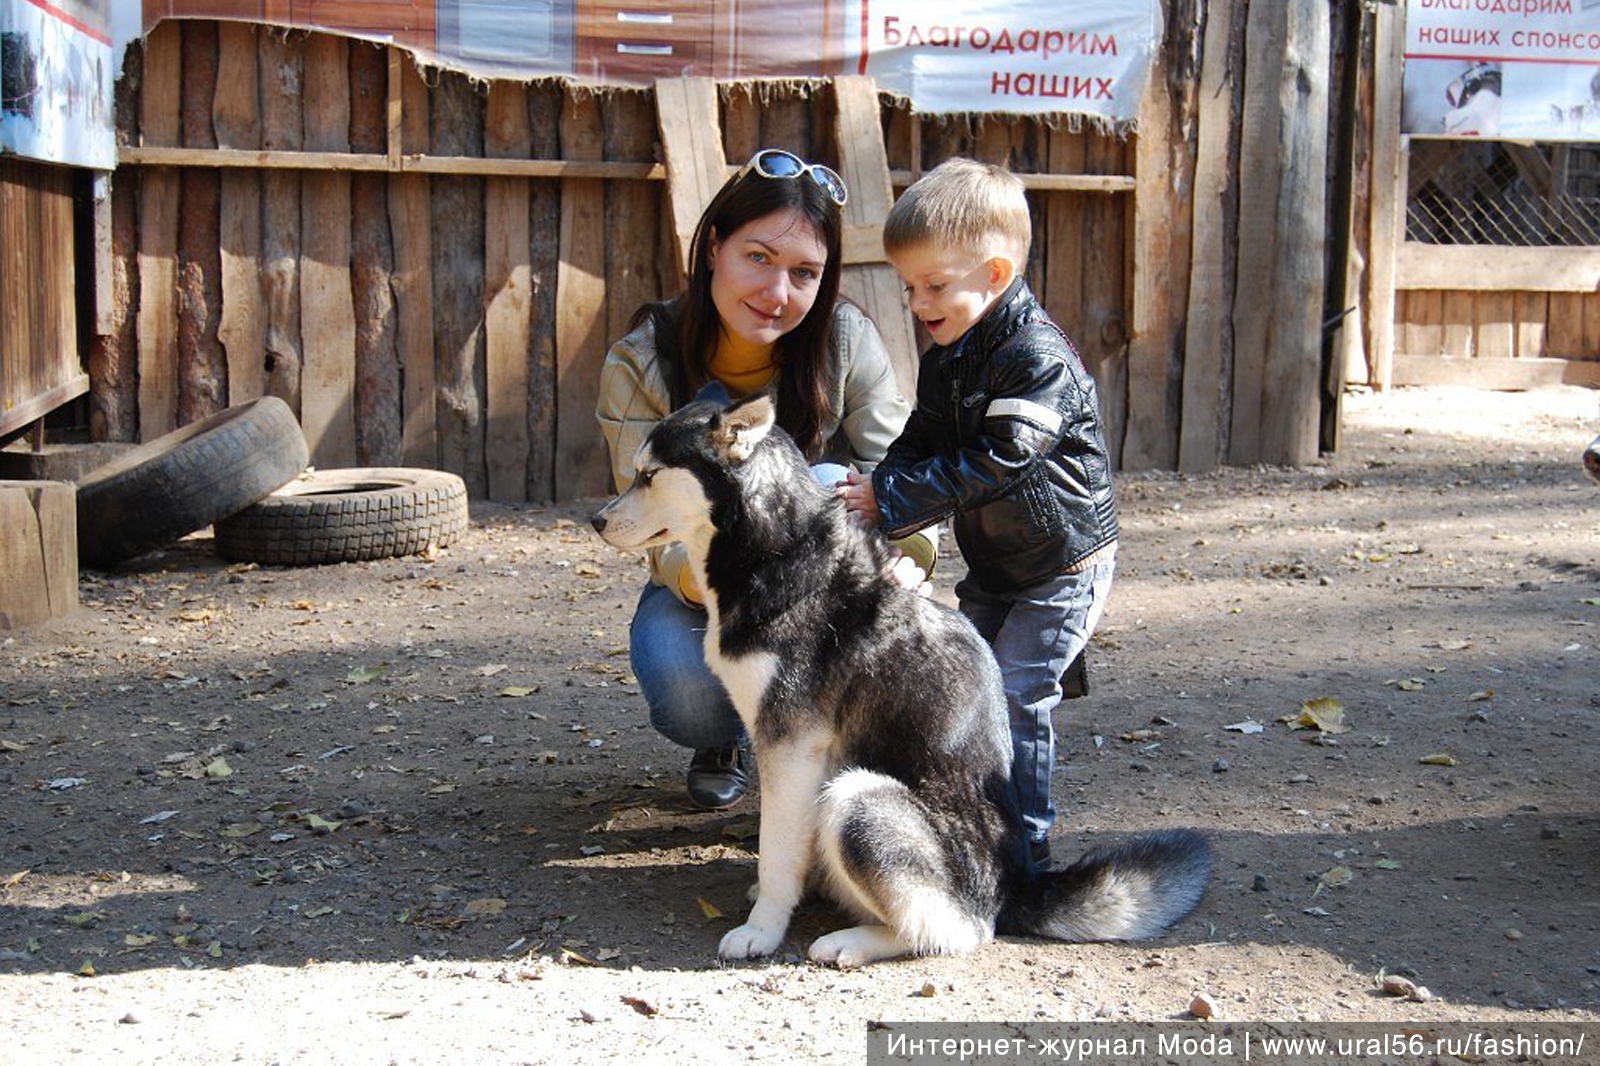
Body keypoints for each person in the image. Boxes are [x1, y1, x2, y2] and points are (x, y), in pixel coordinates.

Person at [596, 149, 931, 810]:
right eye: (759, 258)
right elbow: (648, 524)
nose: (778, 294)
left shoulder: (843, 341)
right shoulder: (642, 361)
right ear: (715, 246)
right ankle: (728, 734)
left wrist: (911, 555)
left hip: (828, 580)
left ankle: (839, 741)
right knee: (683, 687)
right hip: (709, 579)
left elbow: (904, 475)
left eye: (804, 272)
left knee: (832, 478)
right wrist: (725, 575)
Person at [836, 158, 1118, 871]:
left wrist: (892, 499)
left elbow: (1002, 459)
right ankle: (966, 839)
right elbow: (922, 437)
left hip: (1061, 564)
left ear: (994, 275)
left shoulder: (1036, 357)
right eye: (909, 287)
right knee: (965, 690)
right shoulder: (947, 354)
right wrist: (882, 486)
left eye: (934, 285)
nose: (917, 302)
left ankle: (1025, 858)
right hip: (997, 565)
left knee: (1017, 698)